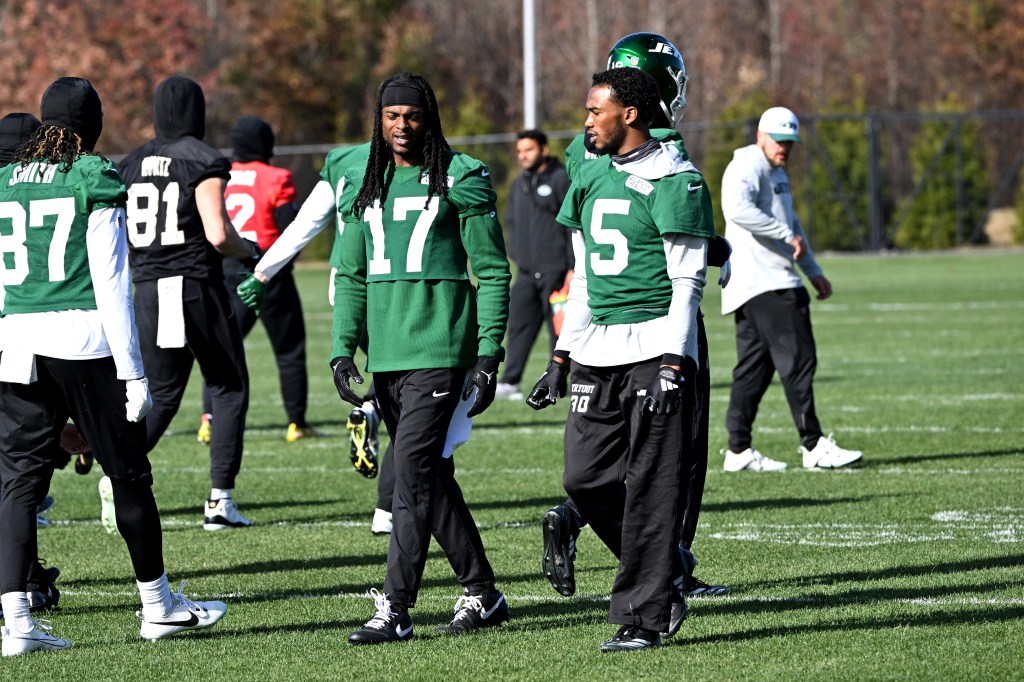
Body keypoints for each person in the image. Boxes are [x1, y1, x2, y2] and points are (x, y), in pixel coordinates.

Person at [0, 77, 226, 657]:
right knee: (128, 475)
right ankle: (158, 606)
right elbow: (112, 281)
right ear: (89, 124)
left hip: (16, 343)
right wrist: (133, 370)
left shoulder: (3, 183)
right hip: (81, 339)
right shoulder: (90, 176)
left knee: (20, 484)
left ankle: (17, 623)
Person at [536, 32, 730, 606]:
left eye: (595, 108)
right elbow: (652, 251)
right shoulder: (661, 157)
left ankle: (654, 584)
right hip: (647, 323)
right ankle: (669, 566)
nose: (589, 120)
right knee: (671, 465)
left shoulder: (588, 157)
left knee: (642, 467)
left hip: (622, 330)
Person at [330, 72, 511, 645]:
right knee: (430, 476)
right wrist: (341, 350)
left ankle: (397, 608)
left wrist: (487, 355)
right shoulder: (364, 181)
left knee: (407, 477)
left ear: (428, 117)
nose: (401, 127)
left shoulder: (461, 177)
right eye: (391, 117)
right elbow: (353, 275)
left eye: (411, 116)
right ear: (377, 121)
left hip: (440, 350)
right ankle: (483, 592)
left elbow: (493, 270)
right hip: (386, 355)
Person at [119, 76, 261, 529]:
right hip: (193, 286)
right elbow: (218, 234)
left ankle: (118, 470)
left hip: (147, 290)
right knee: (228, 387)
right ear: (197, 111)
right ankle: (220, 499)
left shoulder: (130, 162)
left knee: (160, 394)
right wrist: (250, 249)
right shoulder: (202, 159)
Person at [720, 106, 863, 472]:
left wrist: (813, 270)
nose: (785, 148)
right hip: (764, 281)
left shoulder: (777, 171)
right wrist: (785, 235)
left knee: (754, 369)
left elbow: (792, 222)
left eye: (790, 143)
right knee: (799, 359)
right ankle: (813, 445)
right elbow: (736, 208)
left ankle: (738, 450)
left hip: (764, 280)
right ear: (761, 136)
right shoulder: (746, 166)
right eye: (780, 141)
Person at [197, 115, 316, 445]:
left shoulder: (220, 174)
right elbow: (288, 226)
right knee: (289, 350)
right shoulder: (277, 177)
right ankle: (295, 422)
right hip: (268, 270)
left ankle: (208, 419)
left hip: (227, 270)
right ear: (265, 143)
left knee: (221, 349)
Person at [494, 129, 572, 399]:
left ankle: (559, 381)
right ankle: (510, 381)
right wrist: (516, 253)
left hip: (557, 271)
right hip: (527, 272)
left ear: (544, 149)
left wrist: (571, 267)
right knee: (517, 327)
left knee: (560, 331)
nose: (522, 155)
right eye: (519, 151)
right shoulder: (518, 184)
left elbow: (572, 226)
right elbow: (511, 223)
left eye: (528, 150)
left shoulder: (561, 179)